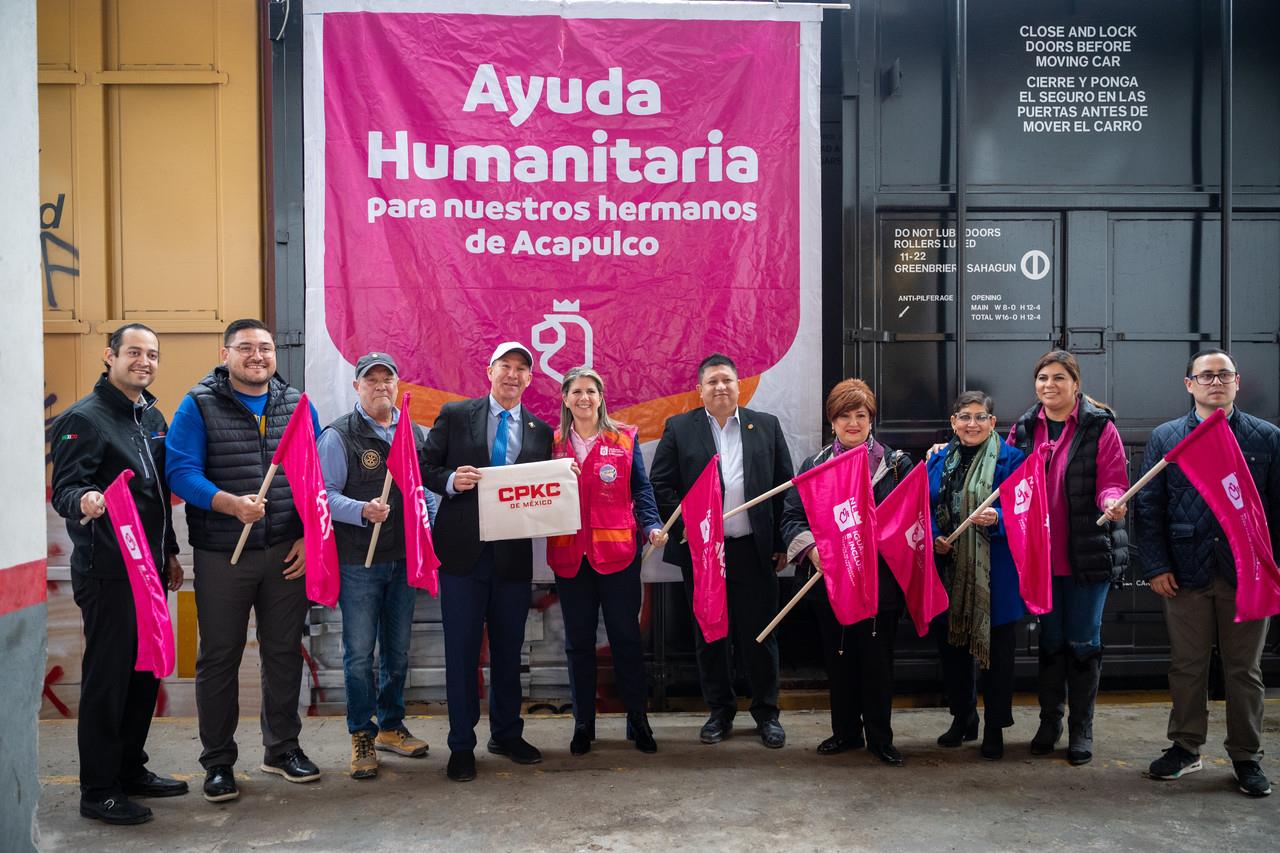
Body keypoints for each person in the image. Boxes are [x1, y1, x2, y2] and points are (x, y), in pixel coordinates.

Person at [166, 318, 323, 802]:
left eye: (266, 348)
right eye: (246, 348)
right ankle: (217, 763)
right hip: (222, 555)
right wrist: (229, 503)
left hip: (284, 552)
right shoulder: (198, 405)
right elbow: (180, 472)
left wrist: (306, 536)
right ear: (226, 352)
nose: (258, 356)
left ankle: (282, 750)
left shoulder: (297, 405)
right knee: (219, 658)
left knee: (282, 654)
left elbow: (314, 477)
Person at [50, 323, 187, 825]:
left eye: (152, 354)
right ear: (110, 356)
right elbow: (66, 488)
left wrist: (170, 552)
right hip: (107, 573)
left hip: (149, 572)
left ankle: (131, 768)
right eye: (134, 352)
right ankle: (99, 790)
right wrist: (85, 501)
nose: (144, 362)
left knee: (144, 674)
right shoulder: (84, 419)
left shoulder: (150, 413)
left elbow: (157, 496)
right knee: (109, 682)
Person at [1135, 349, 1277, 797]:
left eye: (1224, 375)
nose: (1216, 382)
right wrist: (1155, 566)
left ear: (1238, 382)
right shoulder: (1167, 437)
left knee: (1244, 670)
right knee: (1188, 665)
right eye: (1206, 376)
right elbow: (1148, 505)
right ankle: (1185, 747)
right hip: (1184, 572)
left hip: (1247, 572)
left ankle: (1245, 757)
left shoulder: (1265, 437)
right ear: (1189, 384)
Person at [422, 342, 554, 782]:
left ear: (530, 379)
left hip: (513, 559)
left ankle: (507, 734)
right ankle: (462, 745)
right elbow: (423, 466)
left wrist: (563, 479)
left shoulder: (540, 430)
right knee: (461, 654)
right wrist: (450, 481)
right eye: (506, 367)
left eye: (521, 369)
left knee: (507, 653)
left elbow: (542, 490)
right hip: (462, 557)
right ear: (489, 371)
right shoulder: (457, 414)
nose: (513, 375)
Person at [651, 354, 795, 749]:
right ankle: (720, 711)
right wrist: (688, 533)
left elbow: (786, 485)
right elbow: (660, 485)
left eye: (727, 380)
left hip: (754, 550)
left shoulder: (765, 425)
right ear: (700, 390)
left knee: (760, 636)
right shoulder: (680, 428)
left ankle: (767, 714)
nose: (720, 387)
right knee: (709, 634)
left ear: (739, 385)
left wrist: (782, 542)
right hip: (702, 553)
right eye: (712, 381)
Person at [318, 352, 438, 780]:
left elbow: (424, 488)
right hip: (359, 564)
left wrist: (438, 511)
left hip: (403, 560)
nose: (381, 386)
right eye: (371, 380)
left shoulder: (414, 434)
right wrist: (360, 510)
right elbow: (323, 495)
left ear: (398, 386)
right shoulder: (338, 436)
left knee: (398, 652)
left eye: (388, 380)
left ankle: (390, 725)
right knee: (357, 656)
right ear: (357, 387)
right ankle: (360, 733)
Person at [779, 379, 912, 765]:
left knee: (877, 663)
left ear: (872, 419)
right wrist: (813, 551)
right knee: (839, 660)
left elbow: (908, 519)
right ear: (832, 422)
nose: (852, 423)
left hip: (879, 585)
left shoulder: (896, 465)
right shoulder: (815, 466)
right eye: (844, 416)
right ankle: (846, 733)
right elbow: (792, 516)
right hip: (831, 583)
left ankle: (880, 738)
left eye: (861, 415)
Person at [1008, 349, 1128, 765]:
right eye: (1042, 378)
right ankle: (1049, 722)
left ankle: (1082, 729)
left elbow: (1112, 479)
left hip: (1087, 555)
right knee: (1051, 641)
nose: (1049, 386)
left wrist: (1113, 501)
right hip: (1042, 558)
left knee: (1082, 642)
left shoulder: (1099, 427)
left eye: (1059, 378)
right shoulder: (1025, 428)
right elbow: (1004, 475)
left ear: (1076, 384)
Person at [546, 366, 666, 756]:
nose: (584, 398)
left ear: (601, 398)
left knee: (626, 641)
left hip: (618, 556)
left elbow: (642, 491)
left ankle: (638, 720)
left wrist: (652, 526)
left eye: (591, 391)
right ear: (565, 398)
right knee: (579, 644)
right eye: (576, 391)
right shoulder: (552, 444)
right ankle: (583, 723)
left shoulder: (625, 437)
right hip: (570, 559)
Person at [927, 390, 1026, 761]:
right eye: (964, 417)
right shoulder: (937, 460)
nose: (972, 424)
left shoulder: (1012, 460)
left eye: (980, 417)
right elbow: (923, 505)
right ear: (953, 422)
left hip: (994, 574)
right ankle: (963, 717)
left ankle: (995, 727)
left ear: (992, 422)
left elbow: (1023, 511)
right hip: (948, 570)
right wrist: (933, 537)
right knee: (953, 652)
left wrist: (998, 518)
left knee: (997, 658)